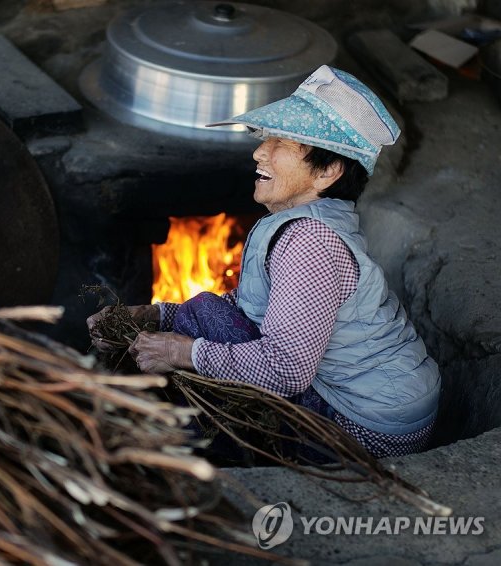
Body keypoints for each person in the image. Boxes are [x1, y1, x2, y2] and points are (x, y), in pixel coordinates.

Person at [86, 65, 440, 459]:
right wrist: (155, 316)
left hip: (365, 427)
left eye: (283, 143)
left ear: (327, 172)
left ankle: (210, 460)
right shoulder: (308, 225)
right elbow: (256, 309)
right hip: (380, 407)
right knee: (204, 315)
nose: (259, 151)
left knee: (202, 323)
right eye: (267, 138)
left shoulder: (311, 243)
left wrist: (178, 351)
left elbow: (287, 368)